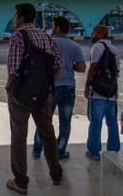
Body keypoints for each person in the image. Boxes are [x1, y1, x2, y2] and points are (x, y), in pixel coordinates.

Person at [4, 3, 64, 195]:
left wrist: (9, 86)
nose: (14, 19)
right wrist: (46, 84)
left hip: (20, 94)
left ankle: (20, 181)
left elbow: (13, 67)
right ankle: (56, 174)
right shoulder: (46, 36)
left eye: (15, 15)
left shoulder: (18, 35)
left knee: (19, 135)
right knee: (47, 132)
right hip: (42, 93)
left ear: (21, 17)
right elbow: (59, 63)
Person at [31, 16, 85, 160]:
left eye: (53, 26)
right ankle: (60, 151)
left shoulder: (47, 44)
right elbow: (81, 67)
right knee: (65, 122)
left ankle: (37, 149)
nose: (51, 28)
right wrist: (69, 66)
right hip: (68, 88)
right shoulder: (74, 46)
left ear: (58, 28)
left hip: (50, 88)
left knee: (44, 120)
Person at [83, 25, 121, 160]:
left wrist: (87, 86)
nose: (92, 35)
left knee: (96, 122)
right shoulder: (115, 49)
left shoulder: (97, 47)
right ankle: (114, 150)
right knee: (112, 122)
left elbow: (92, 68)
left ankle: (94, 151)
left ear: (99, 34)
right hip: (111, 92)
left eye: (93, 32)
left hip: (98, 92)